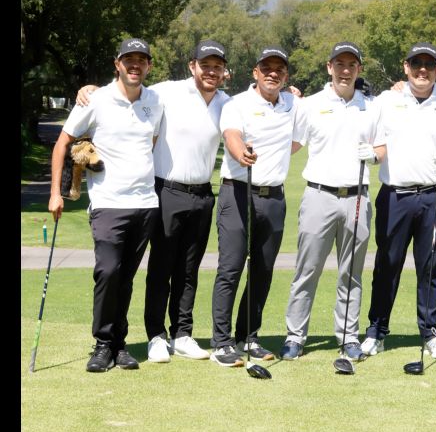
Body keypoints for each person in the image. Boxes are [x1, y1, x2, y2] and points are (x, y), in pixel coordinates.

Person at [76, 40, 231, 364]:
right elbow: (128, 87)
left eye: (217, 66)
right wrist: (91, 89)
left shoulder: (227, 103)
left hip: (203, 193)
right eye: (206, 65)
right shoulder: (167, 93)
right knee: (161, 268)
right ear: (193, 66)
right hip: (167, 190)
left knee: (189, 271)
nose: (211, 71)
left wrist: (292, 96)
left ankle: (183, 333)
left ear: (224, 71)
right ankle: (156, 335)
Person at [48, 37, 164, 372]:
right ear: (117, 64)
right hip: (108, 203)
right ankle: (101, 343)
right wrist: (56, 192)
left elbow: (152, 140)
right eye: (129, 59)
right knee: (108, 272)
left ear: (149, 66)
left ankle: (119, 344)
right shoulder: (95, 99)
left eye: (142, 60)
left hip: (145, 203)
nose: (135, 65)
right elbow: (63, 143)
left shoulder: (155, 101)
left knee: (126, 277)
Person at [360, 42, 436, 360]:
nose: (422, 69)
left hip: (434, 198)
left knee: (431, 267)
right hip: (395, 196)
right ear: (405, 67)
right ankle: (376, 330)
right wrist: (372, 154)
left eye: (429, 64)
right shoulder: (387, 101)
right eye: (416, 63)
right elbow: (372, 136)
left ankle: (431, 332)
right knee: (386, 265)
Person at [279, 42, 385, 361]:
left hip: (357, 198)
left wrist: (376, 156)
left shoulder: (372, 106)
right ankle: (295, 336)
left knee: (351, 273)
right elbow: (293, 144)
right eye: (340, 64)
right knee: (307, 270)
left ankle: (348, 336)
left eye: (352, 64)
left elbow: (382, 147)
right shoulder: (309, 105)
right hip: (319, 196)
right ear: (329, 67)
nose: (345, 70)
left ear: (359, 70)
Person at [209, 46, 302, 367]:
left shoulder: (293, 103)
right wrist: (240, 153)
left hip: (274, 197)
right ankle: (221, 343)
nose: (273, 73)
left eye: (279, 69)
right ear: (255, 73)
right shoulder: (238, 104)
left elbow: (299, 139)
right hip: (238, 192)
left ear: (286, 76)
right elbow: (232, 134)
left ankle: (247, 336)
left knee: (262, 271)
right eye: (267, 68)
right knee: (231, 268)